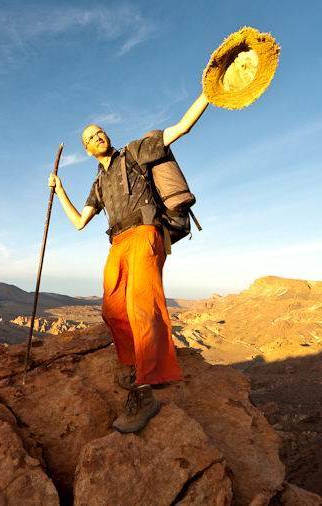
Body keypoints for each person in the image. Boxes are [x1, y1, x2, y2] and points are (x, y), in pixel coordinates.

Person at [47, 93, 209, 433]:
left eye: (100, 132)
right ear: (87, 150)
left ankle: (146, 389)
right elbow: (79, 222)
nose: (98, 137)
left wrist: (208, 95)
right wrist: (59, 190)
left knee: (142, 306)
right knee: (113, 309)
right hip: (118, 242)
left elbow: (180, 128)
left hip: (146, 233)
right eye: (91, 137)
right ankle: (136, 363)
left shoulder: (134, 152)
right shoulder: (98, 183)